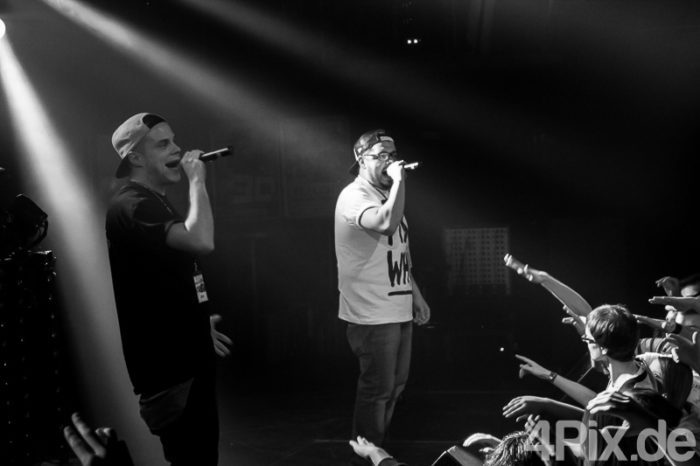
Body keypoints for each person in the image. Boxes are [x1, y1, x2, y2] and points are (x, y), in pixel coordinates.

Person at [106, 113, 231, 465]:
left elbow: (163, 278)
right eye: (163, 144)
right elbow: (201, 240)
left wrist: (198, 322)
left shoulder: (155, 200)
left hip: (186, 359)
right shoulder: (132, 204)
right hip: (169, 370)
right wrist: (197, 181)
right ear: (135, 157)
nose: (177, 149)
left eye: (174, 140)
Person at [334, 129, 431, 454]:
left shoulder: (384, 196)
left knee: (393, 389)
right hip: (372, 314)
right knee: (377, 391)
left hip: (396, 309)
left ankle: (378, 453)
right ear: (362, 160)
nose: (390, 161)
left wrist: (415, 295)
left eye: (393, 155)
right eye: (381, 156)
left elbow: (398, 251)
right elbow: (386, 224)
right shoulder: (354, 195)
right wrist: (400, 180)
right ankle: (366, 459)